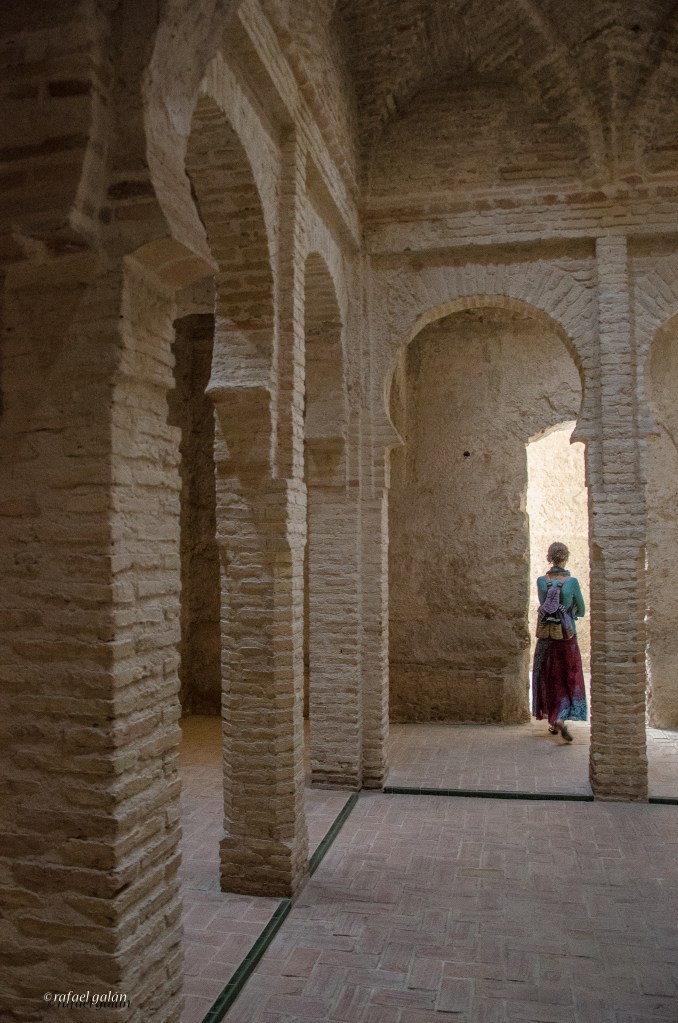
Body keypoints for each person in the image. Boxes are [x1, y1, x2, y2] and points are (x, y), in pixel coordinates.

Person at [532, 541, 587, 741]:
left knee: (549, 675)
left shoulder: (541, 581)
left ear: (549, 558)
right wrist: (570, 611)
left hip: (547, 636)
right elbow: (581, 610)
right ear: (566, 558)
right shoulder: (571, 582)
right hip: (566, 636)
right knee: (567, 674)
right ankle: (561, 718)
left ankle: (554, 719)